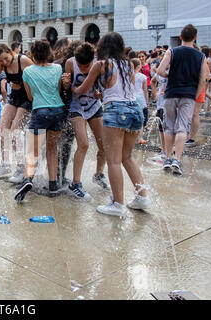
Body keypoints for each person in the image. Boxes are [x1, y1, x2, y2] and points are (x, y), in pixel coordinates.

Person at [72, 32, 150, 217]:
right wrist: (104, 94)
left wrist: (71, 87)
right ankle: (142, 197)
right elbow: (124, 89)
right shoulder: (128, 64)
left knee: (113, 160)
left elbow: (84, 88)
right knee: (127, 158)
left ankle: (118, 203)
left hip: (116, 110)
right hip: (135, 110)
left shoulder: (101, 64)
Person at [14, 40, 67, 203]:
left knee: (33, 151)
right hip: (59, 110)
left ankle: (27, 179)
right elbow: (59, 90)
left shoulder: (28, 71)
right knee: (52, 149)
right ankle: (53, 184)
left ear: (34, 54)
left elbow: (30, 97)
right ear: (49, 53)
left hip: (40, 111)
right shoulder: (58, 68)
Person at [156, 24, 208, 175]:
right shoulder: (201, 56)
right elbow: (203, 80)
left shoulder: (171, 51)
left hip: (171, 93)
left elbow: (159, 70)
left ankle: (167, 158)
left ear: (180, 37)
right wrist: (195, 94)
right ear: (195, 37)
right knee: (182, 127)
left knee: (169, 126)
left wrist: (168, 76)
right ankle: (177, 160)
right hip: (189, 95)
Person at [63, 42, 109, 201]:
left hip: (94, 106)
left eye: (86, 66)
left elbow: (106, 86)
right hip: (76, 107)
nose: (82, 69)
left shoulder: (99, 63)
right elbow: (66, 88)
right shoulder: (70, 63)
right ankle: (75, 183)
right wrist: (66, 83)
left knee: (104, 144)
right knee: (83, 144)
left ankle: (98, 174)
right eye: (80, 65)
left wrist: (100, 93)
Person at [0, 44, 34, 183]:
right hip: (14, 97)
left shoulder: (23, 60)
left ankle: (20, 168)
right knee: (3, 130)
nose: (4, 62)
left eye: (6, 58)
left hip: (27, 98)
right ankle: (5, 165)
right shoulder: (1, 65)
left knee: (14, 132)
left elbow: (37, 77)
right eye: (1, 60)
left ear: (9, 51)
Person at [53, 38, 76, 186]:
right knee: (64, 143)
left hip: (60, 107)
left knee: (59, 144)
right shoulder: (60, 65)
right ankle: (58, 175)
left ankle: (56, 175)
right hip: (66, 108)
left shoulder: (66, 64)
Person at [185, 46, 211, 147]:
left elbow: (208, 76)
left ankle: (191, 138)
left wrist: (199, 79)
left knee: (194, 114)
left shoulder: (200, 60)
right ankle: (187, 136)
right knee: (189, 114)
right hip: (189, 89)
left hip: (198, 89)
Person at [131, 58, 149, 145]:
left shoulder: (129, 75)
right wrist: (147, 101)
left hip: (131, 97)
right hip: (140, 98)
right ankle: (140, 138)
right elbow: (145, 90)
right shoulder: (143, 77)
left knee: (131, 117)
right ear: (138, 66)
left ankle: (131, 136)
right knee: (141, 118)